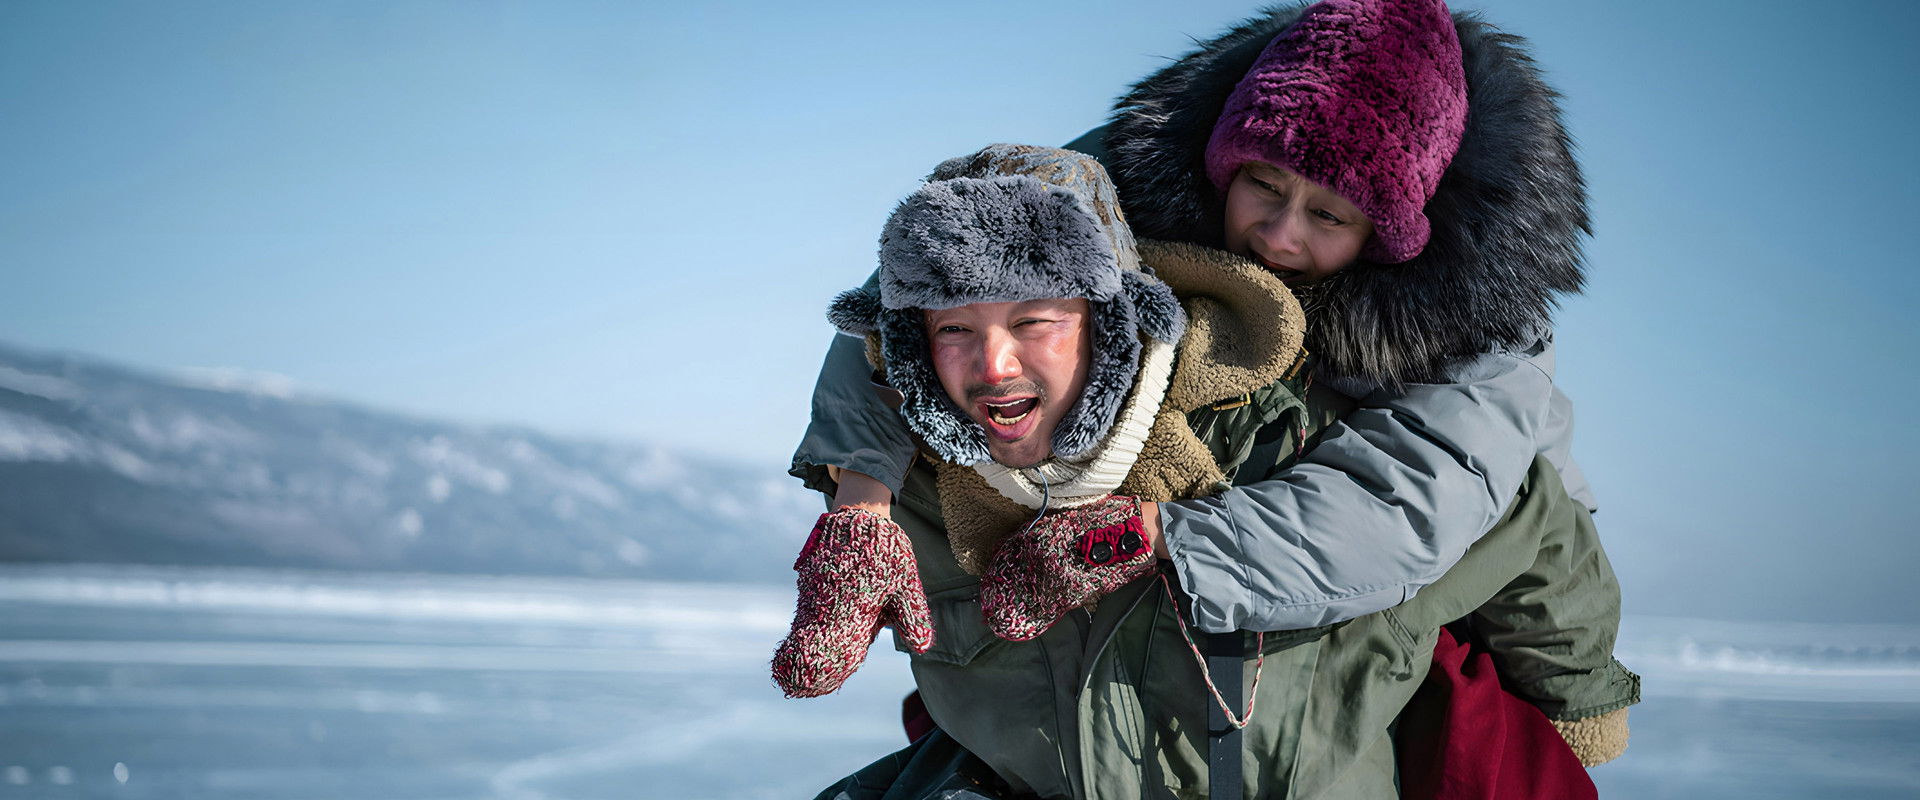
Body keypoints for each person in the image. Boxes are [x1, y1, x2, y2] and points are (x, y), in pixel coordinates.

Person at [781, 143, 1633, 798]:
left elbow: (1527, 518)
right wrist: (860, 499)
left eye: (1035, 320)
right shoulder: (916, 499)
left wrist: (1579, 700)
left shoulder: (1288, 443)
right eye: (952, 331)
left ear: (1113, 321)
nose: (992, 365)